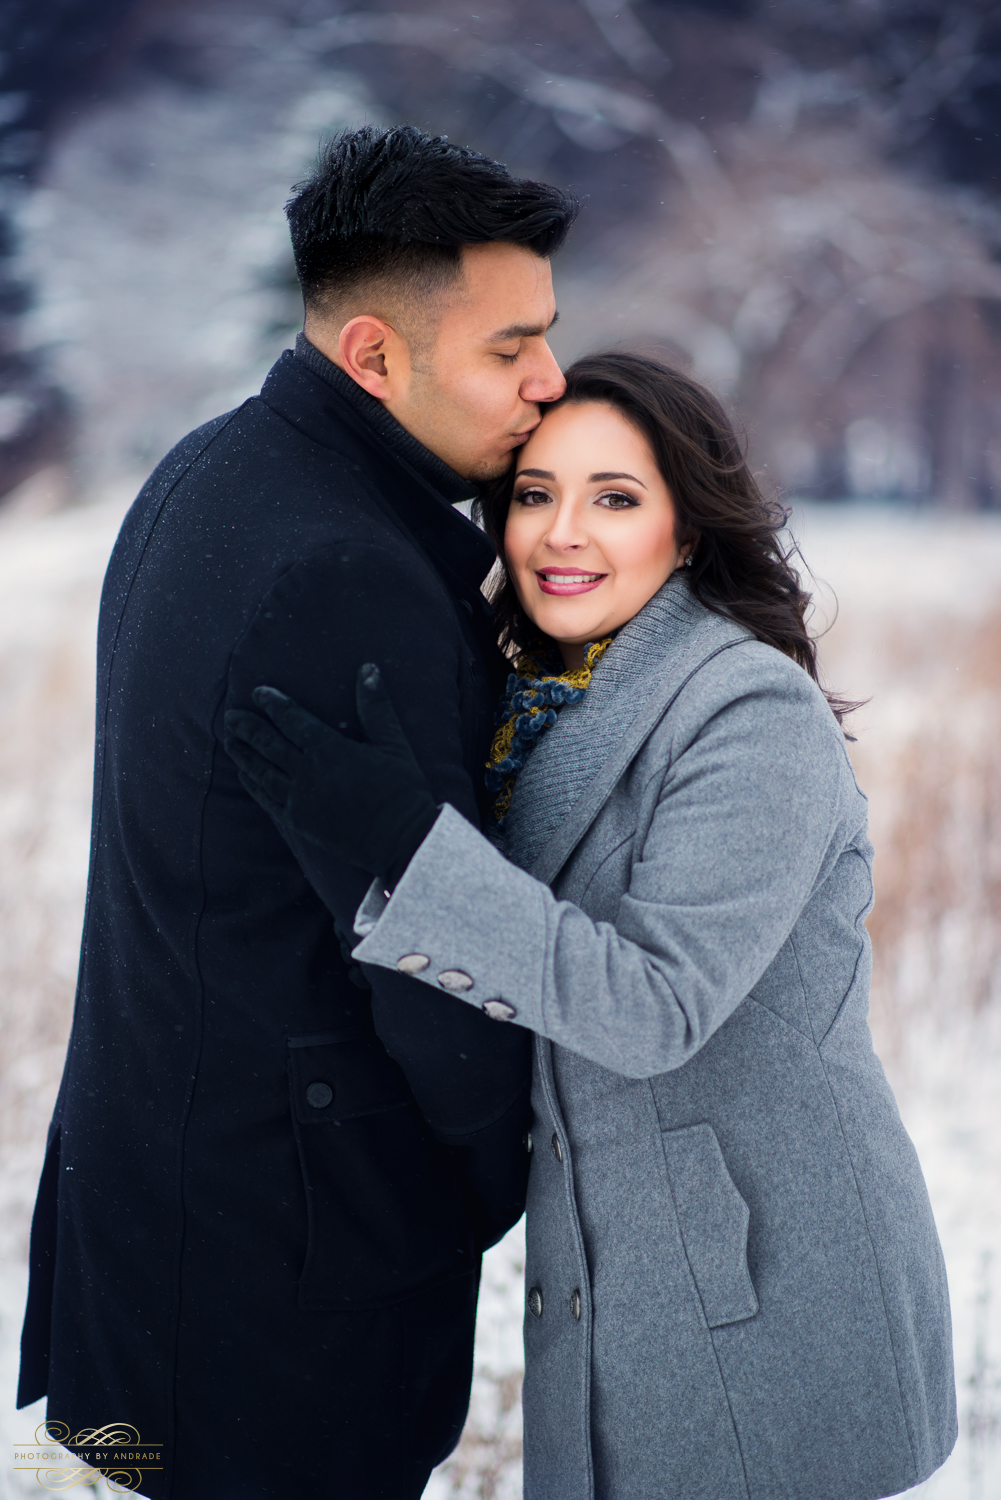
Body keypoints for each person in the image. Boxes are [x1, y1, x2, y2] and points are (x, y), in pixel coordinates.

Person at [228, 352, 958, 1500]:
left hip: (764, 1287)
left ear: (687, 526)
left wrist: (408, 846)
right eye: (532, 494)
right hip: (619, 1268)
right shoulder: (539, 706)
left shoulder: (742, 712)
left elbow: (653, 1005)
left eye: (613, 498)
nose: (561, 533)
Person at [18, 126, 575, 1499]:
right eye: (508, 350)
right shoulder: (347, 567)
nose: (549, 384)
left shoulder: (204, 476)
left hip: (157, 1222)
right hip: (292, 1274)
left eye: (546, 338)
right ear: (373, 355)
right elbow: (422, 951)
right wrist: (482, 1186)